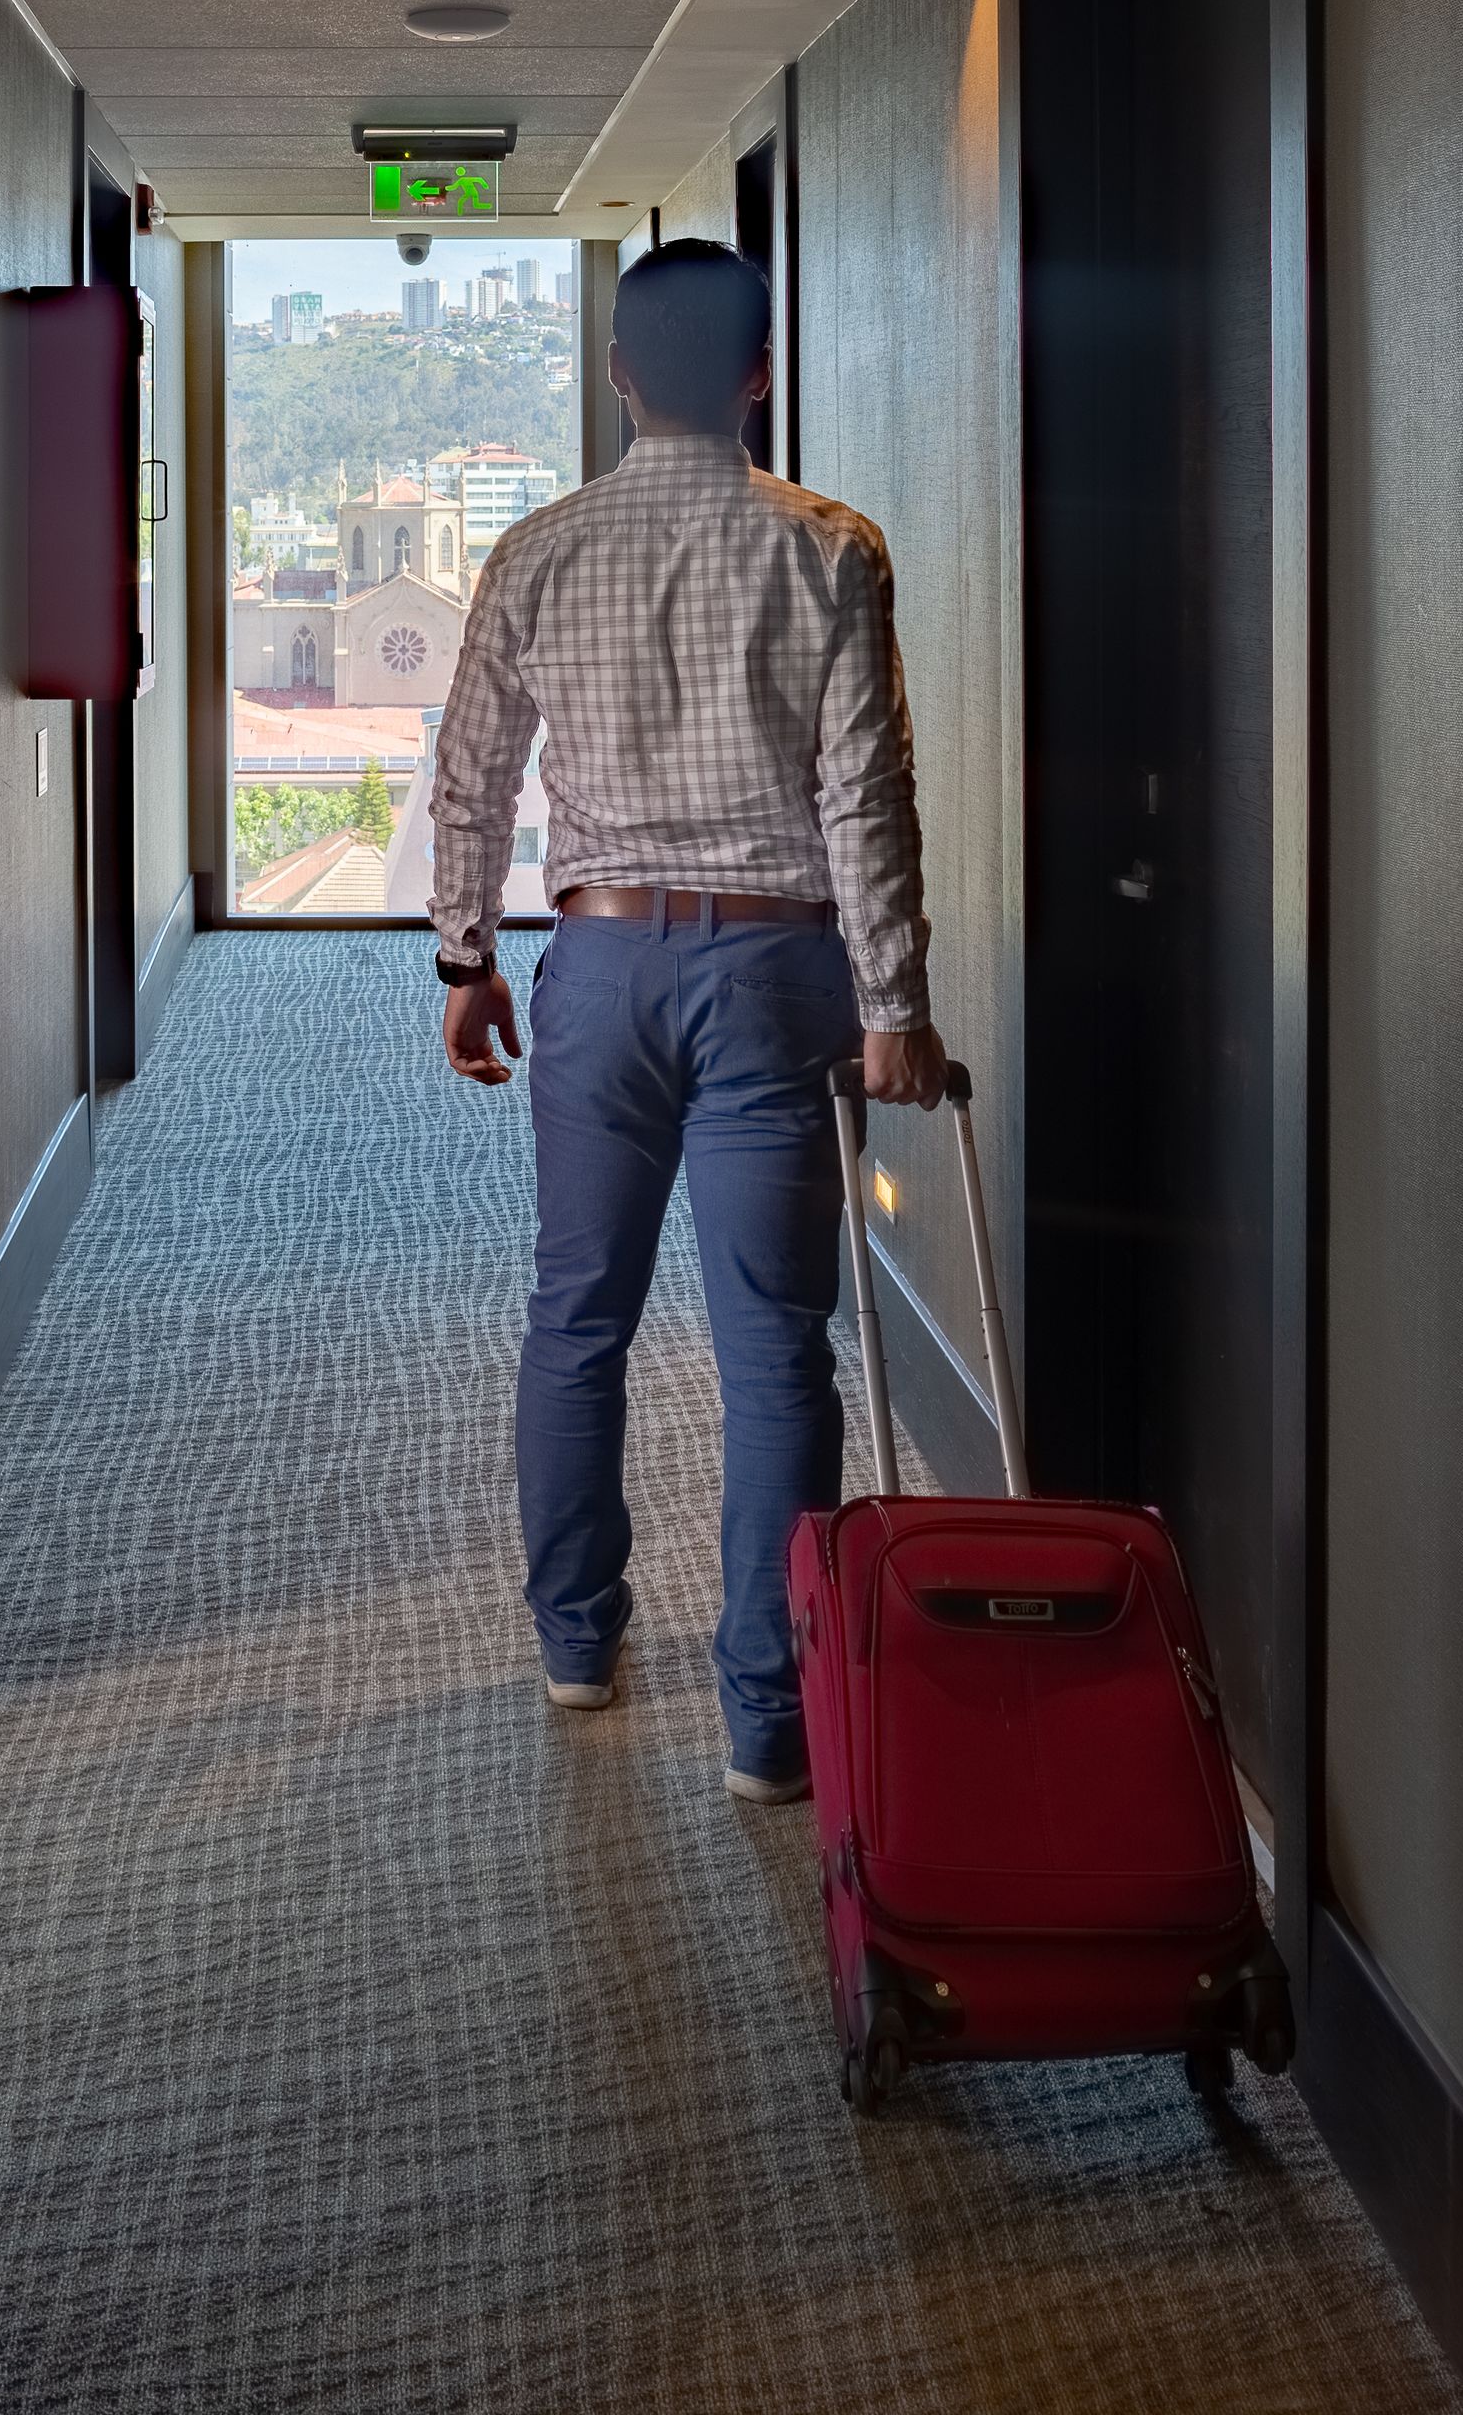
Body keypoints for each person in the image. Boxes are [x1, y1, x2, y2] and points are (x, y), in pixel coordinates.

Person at [427, 238, 947, 1804]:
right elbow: (866, 794)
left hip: (596, 972)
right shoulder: (831, 547)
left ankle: (577, 1646)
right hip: (777, 978)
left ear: (616, 376)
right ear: (760, 374)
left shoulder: (535, 552)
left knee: (575, 1317)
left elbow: (471, 779)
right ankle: (765, 1726)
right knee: (777, 1346)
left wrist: (466, 962)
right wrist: (895, 1003)